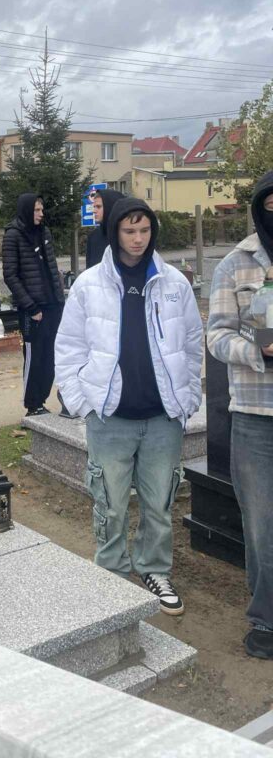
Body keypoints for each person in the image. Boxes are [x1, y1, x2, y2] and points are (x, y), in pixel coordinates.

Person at [55, 198, 202, 615]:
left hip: (162, 417)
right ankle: (112, 573)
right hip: (110, 418)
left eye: (144, 230)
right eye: (129, 231)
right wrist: (82, 402)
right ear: (115, 232)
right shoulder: (89, 285)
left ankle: (154, 568)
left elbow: (193, 343)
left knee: (159, 504)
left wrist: (188, 396)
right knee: (111, 504)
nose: (138, 239)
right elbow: (68, 347)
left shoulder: (174, 283)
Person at [207, 171, 273, 658]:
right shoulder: (235, 264)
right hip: (255, 414)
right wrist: (257, 350)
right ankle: (266, 620)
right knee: (262, 525)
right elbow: (216, 334)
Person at [2, 193, 65, 417]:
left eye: (42, 209)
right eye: (37, 210)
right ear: (27, 210)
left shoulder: (44, 232)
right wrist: (30, 307)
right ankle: (32, 404)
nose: (41, 214)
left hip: (53, 305)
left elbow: (51, 266)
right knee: (34, 356)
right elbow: (10, 275)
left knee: (51, 356)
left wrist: (59, 299)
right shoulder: (13, 235)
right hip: (33, 309)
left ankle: (42, 400)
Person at [85, 189, 125, 269]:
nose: (94, 211)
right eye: (94, 207)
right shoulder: (93, 236)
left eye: (98, 207)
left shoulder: (126, 235)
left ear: (110, 207)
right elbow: (89, 269)